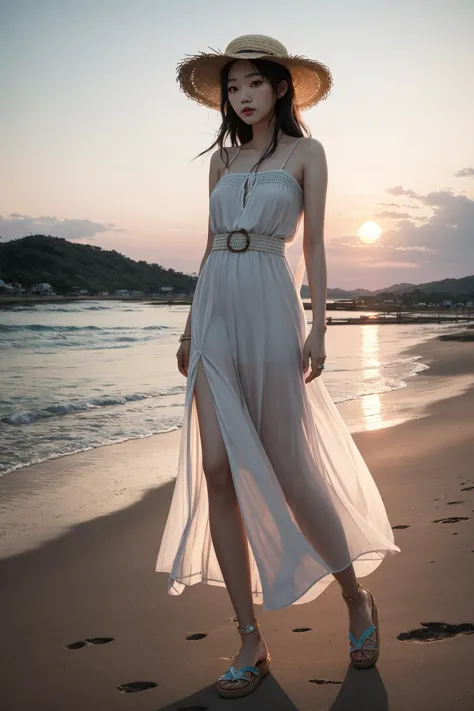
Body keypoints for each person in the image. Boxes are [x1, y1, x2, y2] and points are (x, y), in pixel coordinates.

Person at [156, 34, 400, 699]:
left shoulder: (306, 153)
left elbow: (316, 245)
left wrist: (320, 326)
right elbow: (208, 248)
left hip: (270, 307)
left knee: (291, 468)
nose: (241, 97)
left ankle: (355, 596)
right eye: (232, 88)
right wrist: (187, 328)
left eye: (252, 84)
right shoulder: (221, 162)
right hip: (213, 313)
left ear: (280, 88)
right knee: (215, 469)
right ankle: (249, 637)